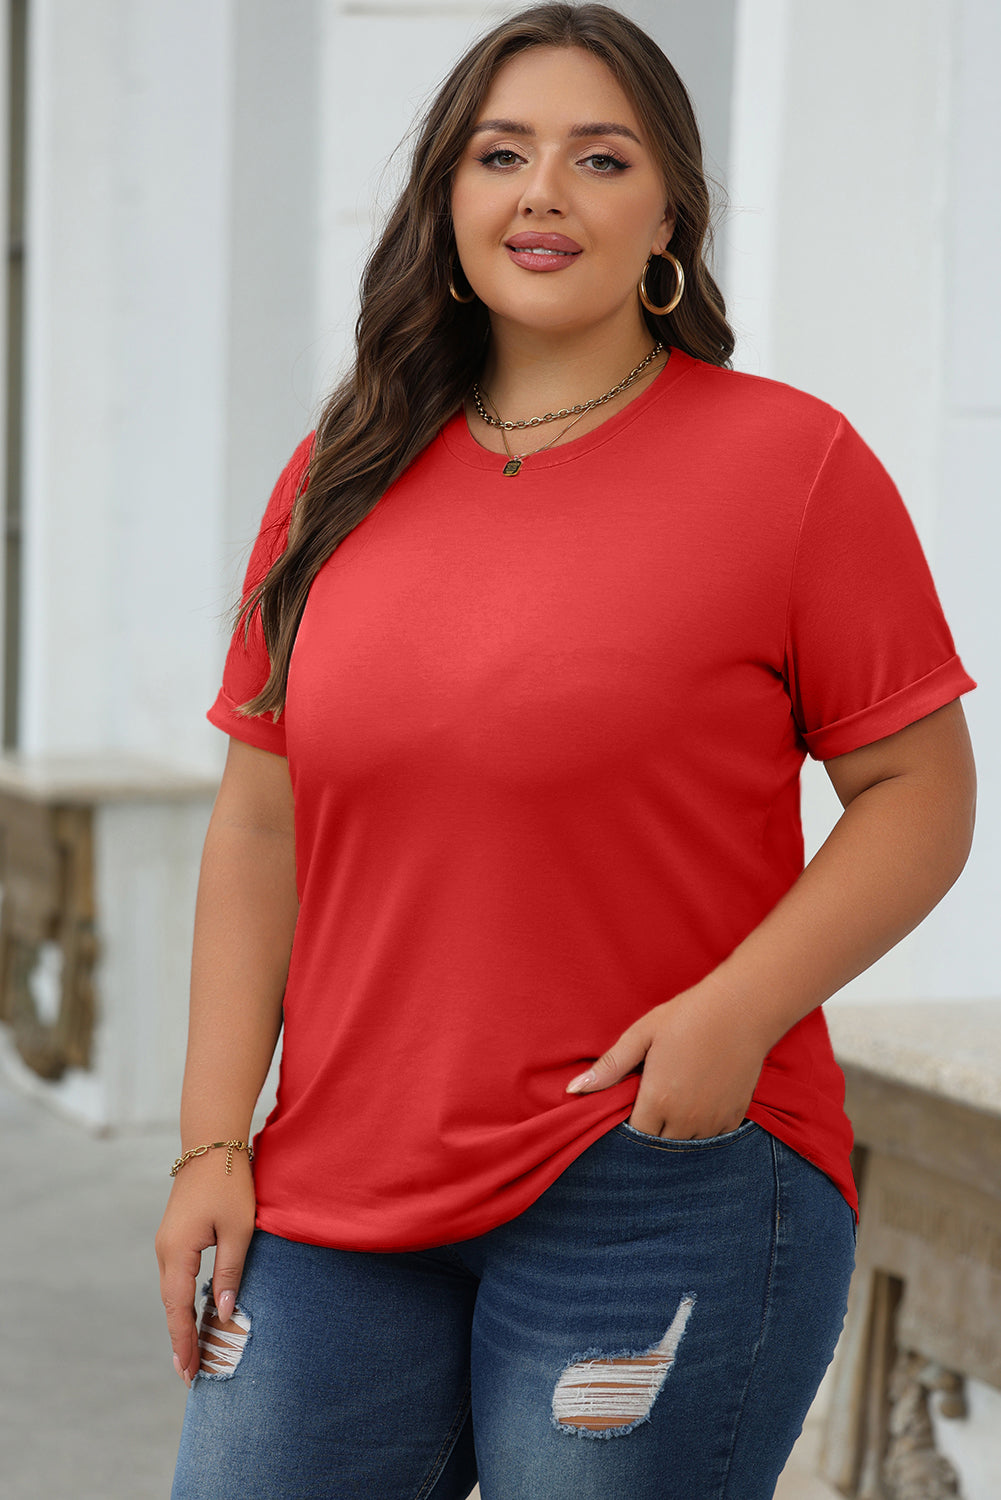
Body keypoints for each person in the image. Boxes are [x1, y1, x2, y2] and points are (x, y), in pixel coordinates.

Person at [156, 5, 977, 1497]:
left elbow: (918, 792)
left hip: (660, 1179)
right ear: (446, 202)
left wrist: (735, 1014)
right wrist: (214, 1144)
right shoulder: (339, 474)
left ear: (668, 216)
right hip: (338, 1189)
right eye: (500, 155)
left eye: (601, 158)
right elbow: (260, 824)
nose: (543, 192)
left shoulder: (791, 466)